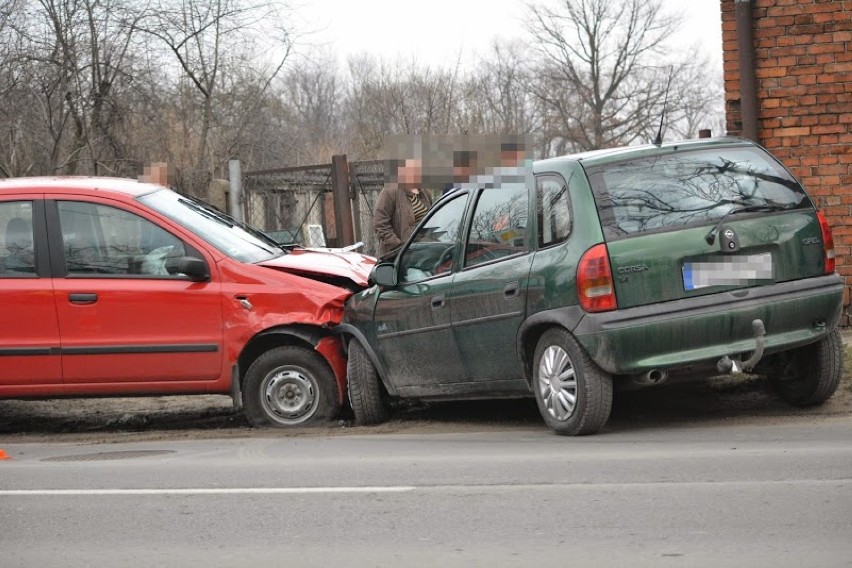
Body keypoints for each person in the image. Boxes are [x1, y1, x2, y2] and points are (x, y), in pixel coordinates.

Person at [374, 158, 432, 257]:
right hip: (399, 256)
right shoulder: (390, 191)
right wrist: (399, 246)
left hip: (422, 252)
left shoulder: (424, 192)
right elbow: (380, 225)